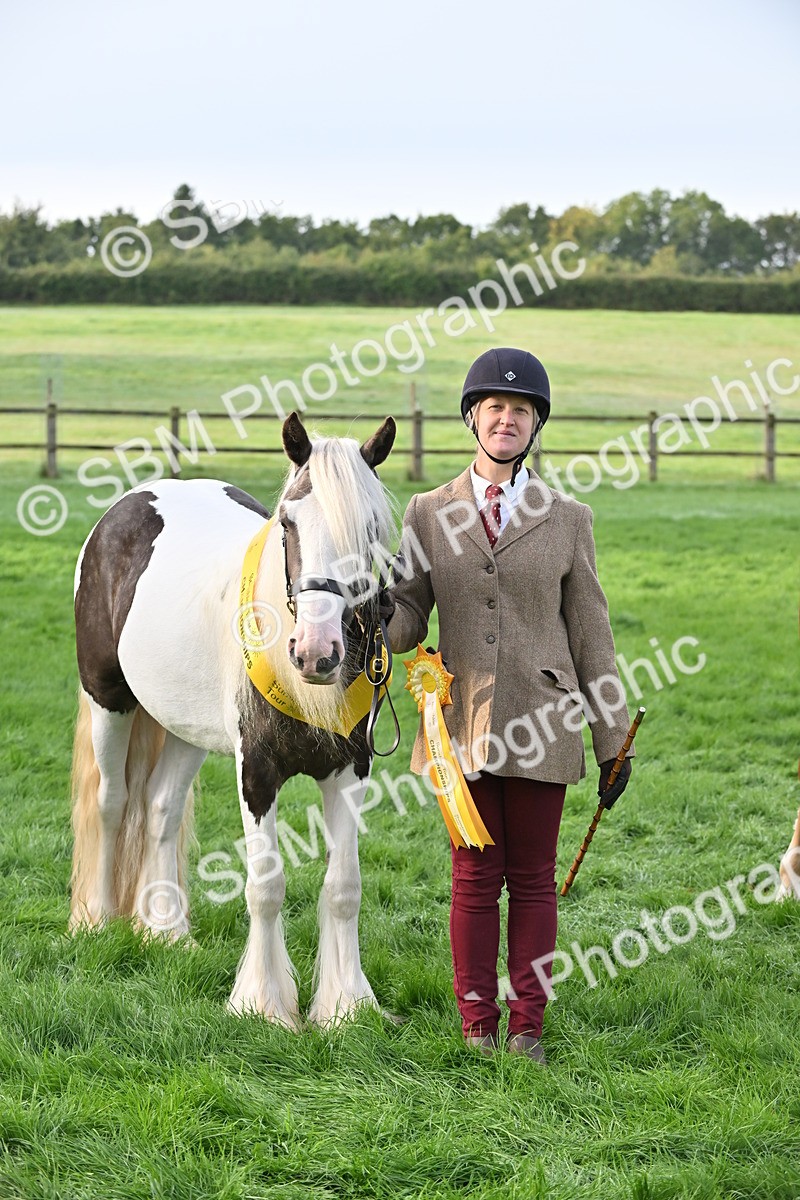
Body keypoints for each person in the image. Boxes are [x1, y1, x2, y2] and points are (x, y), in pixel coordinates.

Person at [384, 346, 634, 1063]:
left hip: (544, 723)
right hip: (459, 722)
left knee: (531, 882)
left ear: (535, 424)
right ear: (473, 417)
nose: (506, 419)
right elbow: (409, 614)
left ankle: (527, 1027)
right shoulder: (427, 512)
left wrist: (614, 740)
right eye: (494, 406)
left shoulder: (569, 518)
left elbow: (591, 634)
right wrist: (372, 615)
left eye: (520, 410)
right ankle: (477, 1027)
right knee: (472, 880)